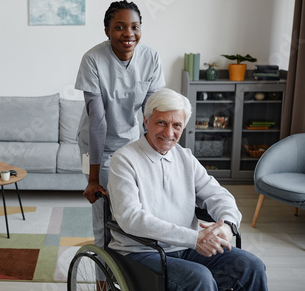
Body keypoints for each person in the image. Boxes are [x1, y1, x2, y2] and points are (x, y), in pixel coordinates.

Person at [107, 88, 267, 290]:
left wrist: (227, 226)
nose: (168, 133)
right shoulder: (124, 159)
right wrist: (194, 238)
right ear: (146, 121)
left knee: (252, 267)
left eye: (176, 125)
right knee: (200, 278)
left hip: (186, 247)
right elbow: (131, 218)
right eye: (161, 123)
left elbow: (218, 195)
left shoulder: (185, 157)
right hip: (141, 251)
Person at [74, 0, 165, 249]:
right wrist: (93, 179)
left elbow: (152, 113)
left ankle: (130, 271)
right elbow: (97, 120)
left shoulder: (151, 57)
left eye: (135, 26)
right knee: (103, 215)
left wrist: (156, 156)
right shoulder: (93, 59)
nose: (128, 34)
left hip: (131, 142)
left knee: (135, 209)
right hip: (95, 146)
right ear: (107, 30)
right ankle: (102, 282)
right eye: (119, 27)